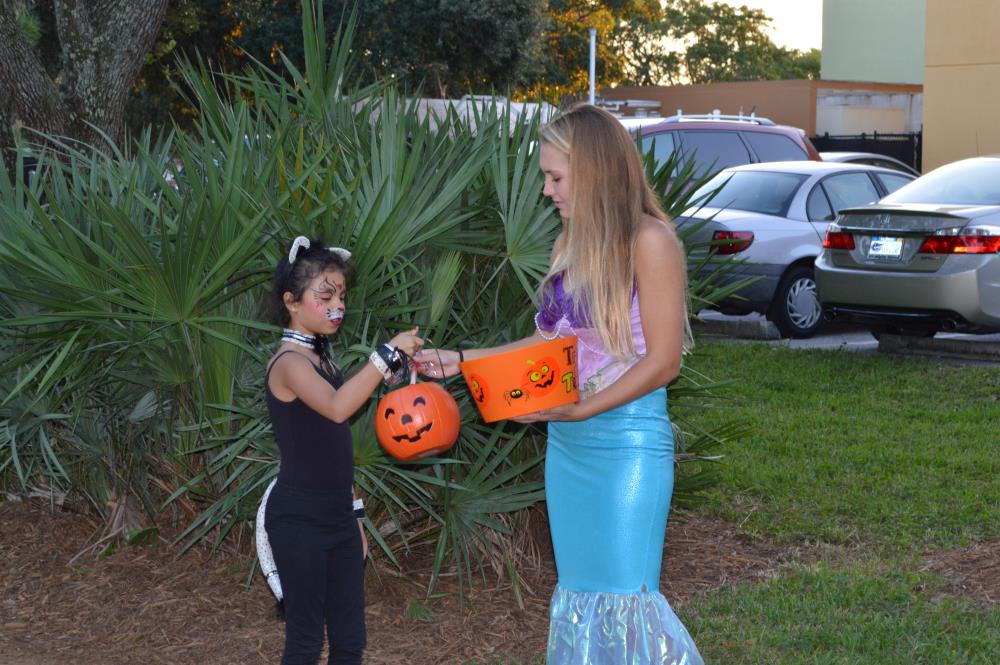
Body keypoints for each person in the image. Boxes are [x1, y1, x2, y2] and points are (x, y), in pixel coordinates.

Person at [416, 104, 703, 664]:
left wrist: (584, 409)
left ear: (594, 171)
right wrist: (462, 360)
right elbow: (549, 345)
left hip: (626, 445)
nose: (547, 191)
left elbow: (665, 361)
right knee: (580, 596)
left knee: (626, 596)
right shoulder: (569, 243)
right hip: (568, 446)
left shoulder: (651, 241)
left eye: (556, 177)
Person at [263, 236, 422, 665]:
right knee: (305, 642)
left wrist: (355, 518)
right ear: (291, 302)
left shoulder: (324, 361)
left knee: (350, 640)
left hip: (338, 517)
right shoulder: (289, 364)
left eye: (342, 296)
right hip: (298, 519)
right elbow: (337, 408)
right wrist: (384, 357)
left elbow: (335, 447)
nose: (337, 306)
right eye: (325, 296)